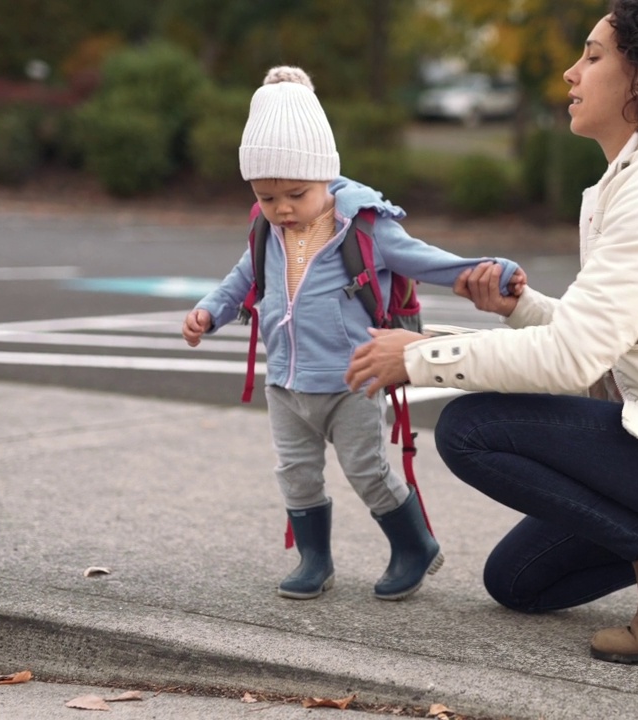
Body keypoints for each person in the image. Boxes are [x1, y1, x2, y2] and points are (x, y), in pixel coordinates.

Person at [345, 0, 638, 664]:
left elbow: (573, 360)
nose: (571, 73)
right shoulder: (627, 184)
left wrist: (424, 357)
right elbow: (601, 343)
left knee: (470, 429)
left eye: (593, 57)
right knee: (519, 584)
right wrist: (519, 309)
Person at [183, 66, 526, 603]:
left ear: (326, 175)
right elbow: (242, 278)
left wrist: (492, 271)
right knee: (296, 475)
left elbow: (428, 261)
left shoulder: (365, 225)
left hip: (354, 377)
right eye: (267, 197)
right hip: (287, 381)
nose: (283, 210)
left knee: (367, 469)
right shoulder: (265, 230)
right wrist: (209, 312)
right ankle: (314, 560)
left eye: (296, 194)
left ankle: (414, 545)